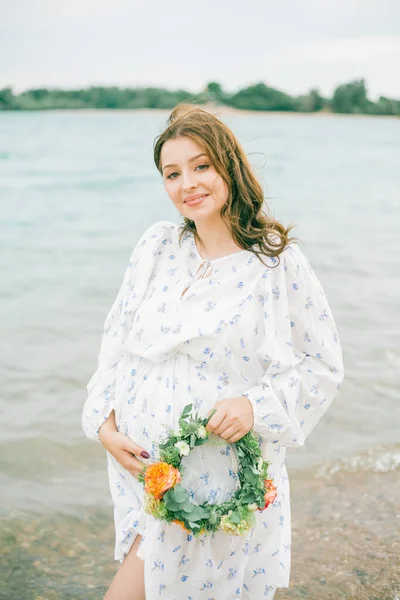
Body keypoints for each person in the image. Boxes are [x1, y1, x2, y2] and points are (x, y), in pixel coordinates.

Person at [82, 104, 344, 600]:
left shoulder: (276, 261)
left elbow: (323, 367)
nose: (188, 184)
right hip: (150, 476)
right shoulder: (157, 247)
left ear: (230, 167)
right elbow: (115, 344)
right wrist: (102, 424)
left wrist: (254, 406)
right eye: (172, 173)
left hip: (219, 481)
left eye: (201, 166)